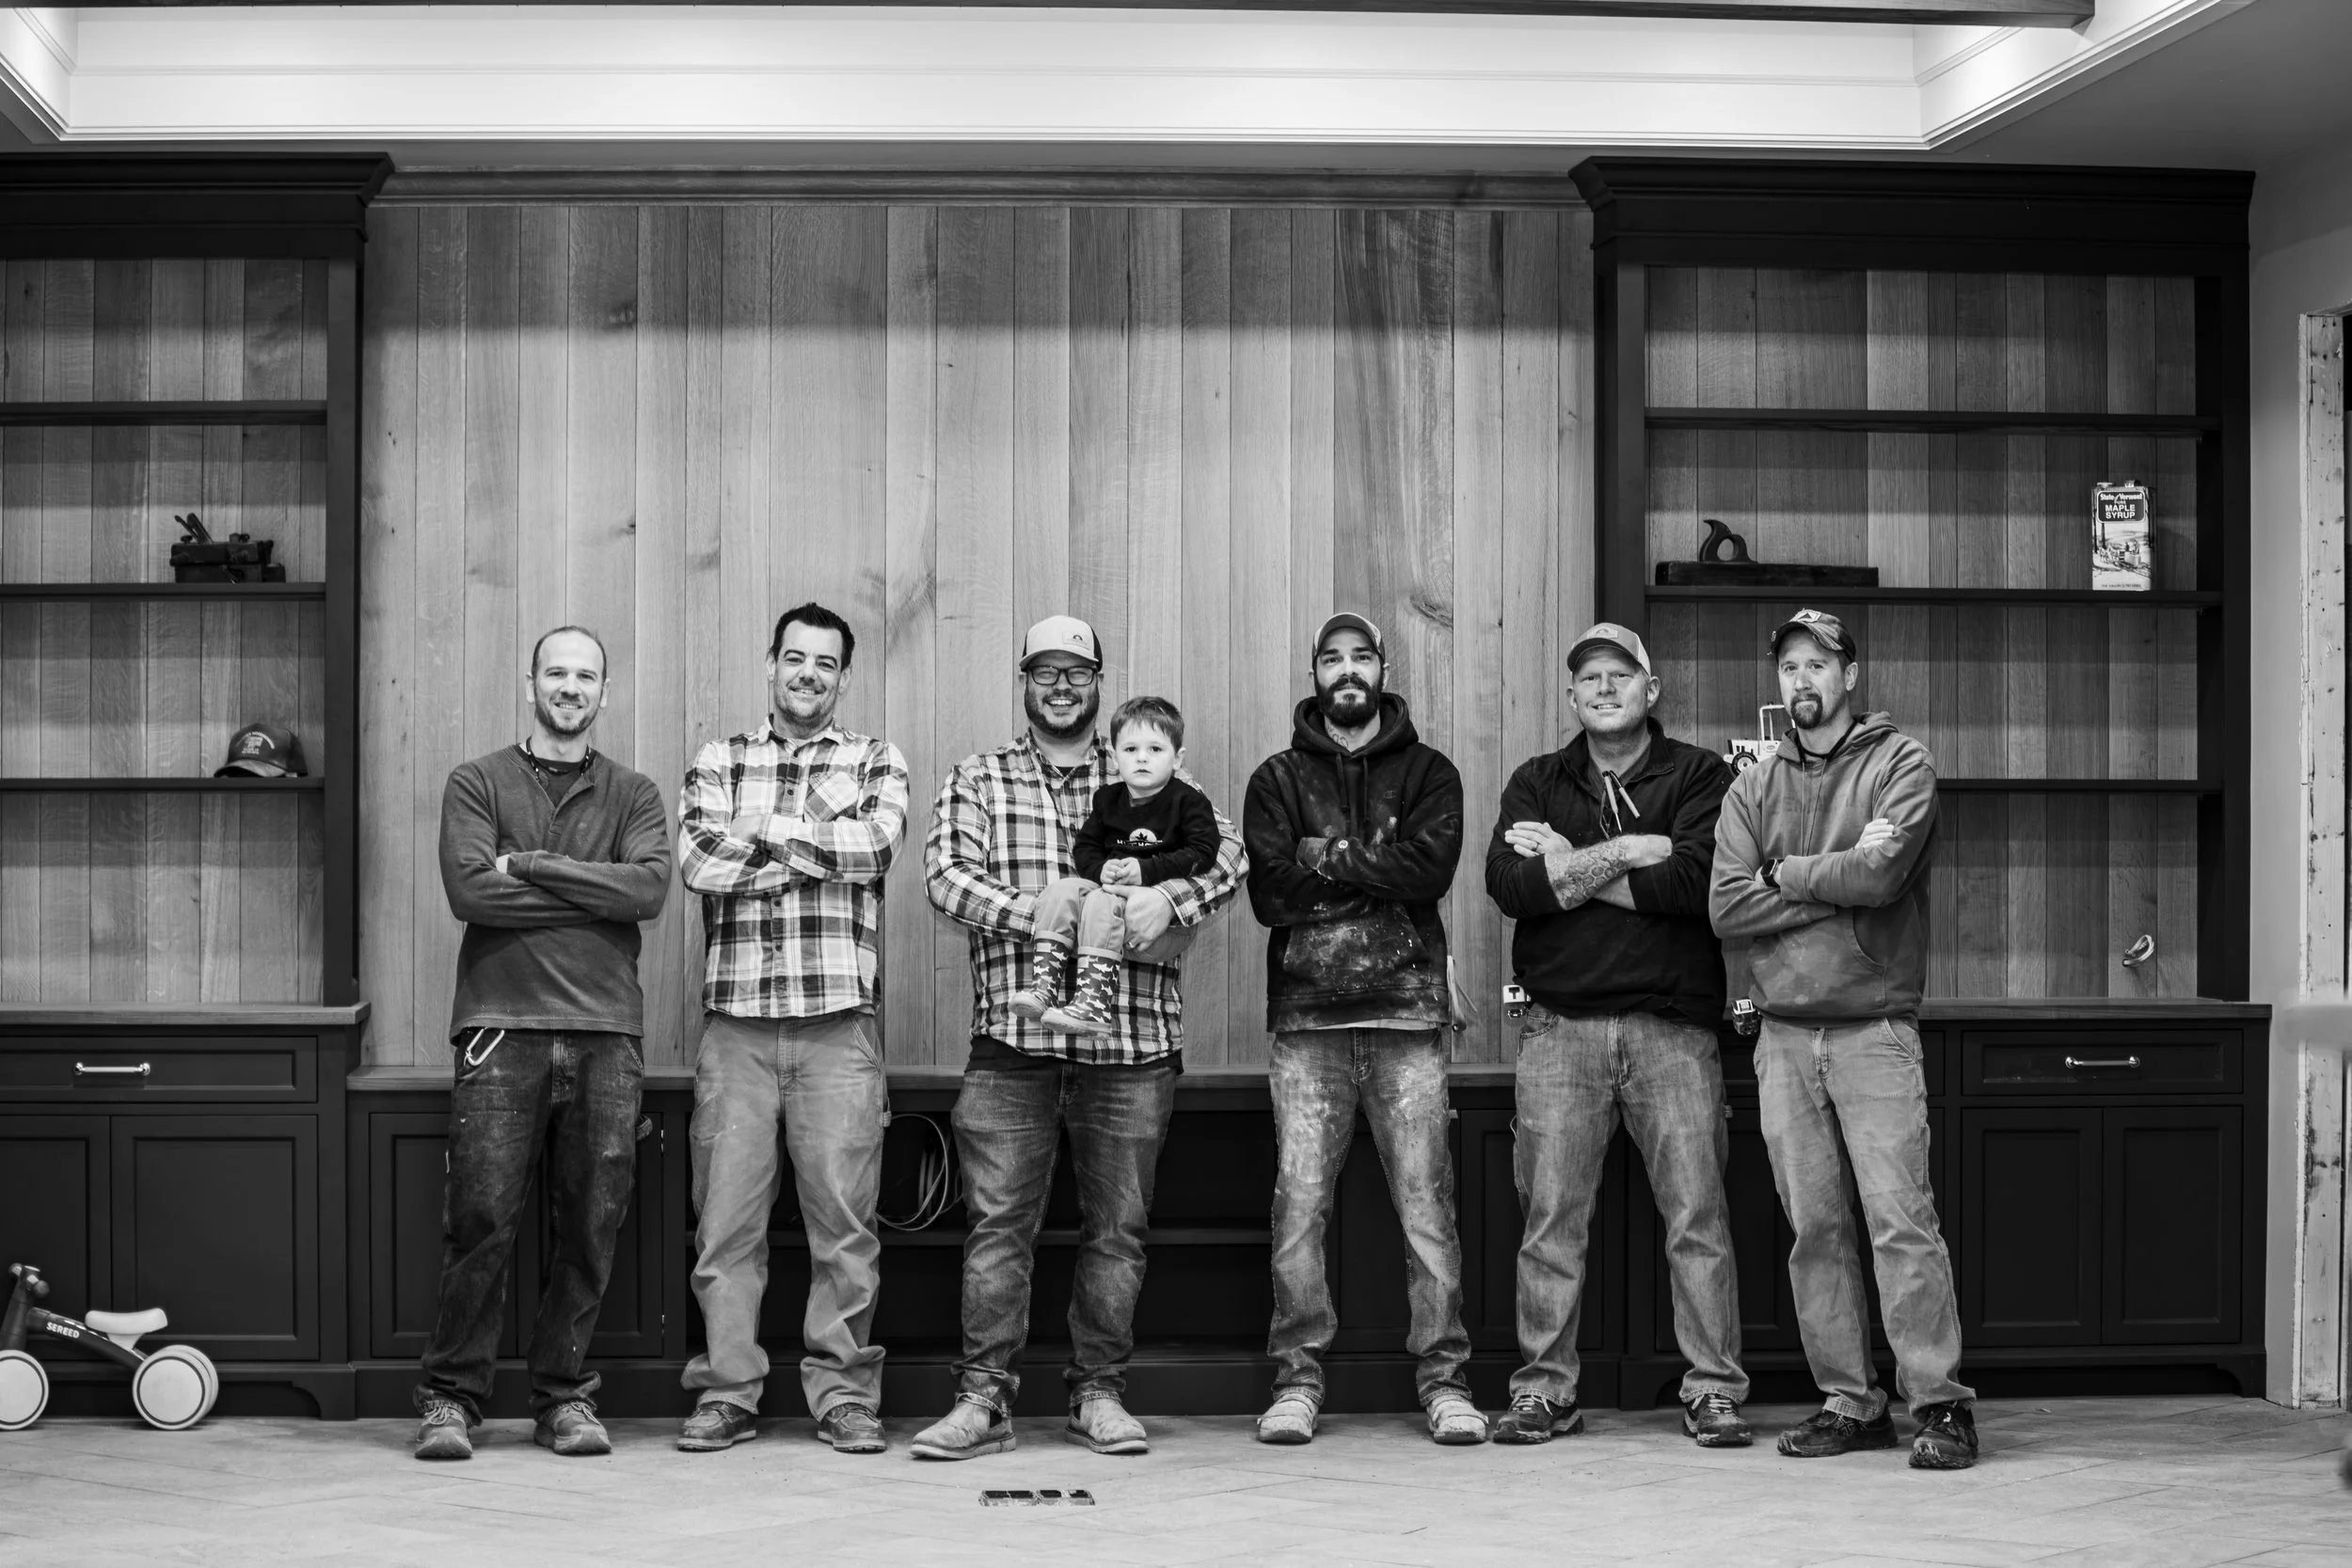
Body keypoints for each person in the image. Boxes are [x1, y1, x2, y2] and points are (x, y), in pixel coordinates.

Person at [915, 615, 1247, 1462]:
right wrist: (1060, 918)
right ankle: (982, 1398)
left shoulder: (1148, 764)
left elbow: (1229, 857)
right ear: (1022, 680)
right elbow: (946, 877)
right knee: (997, 1230)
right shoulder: (979, 777)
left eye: (1077, 672)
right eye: (1044, 672)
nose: (1061, 686)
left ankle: (1097, 1392)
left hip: (1132, 1047)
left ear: (1099, 680)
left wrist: (1167, 903)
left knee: (1117, 1233)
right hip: (1010, 1041)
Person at [1708, 608, 1979, 1470]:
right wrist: (1840, 884)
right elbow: (1724, 904)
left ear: (1849, 675)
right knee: (1814, 1229)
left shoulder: (1900, 762)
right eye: (1789, 666)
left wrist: (1783, 873)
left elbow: (1883, 869)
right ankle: (1851, 1402)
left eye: (1818, 665)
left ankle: (1940, 1405)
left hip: (1875, 1031)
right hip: (1784, 1037)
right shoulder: (1753, 786)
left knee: (1902, 1223)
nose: (1802, 681)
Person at [1486, 623, 1752, 1448]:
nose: (1604, 688)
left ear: (1651, 687)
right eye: (1589, 678)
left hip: (1673, 1032)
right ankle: (1544, 1390)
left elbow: (1691, 883)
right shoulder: (1538, 778)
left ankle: (1713, 1388)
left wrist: (1574, 864)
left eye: (1620, 675)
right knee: (1550, 1220)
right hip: (1559, 1031)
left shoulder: (1703, 774)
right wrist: (1628, 849)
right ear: (1572, 696)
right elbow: (1514, 886)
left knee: (1698, 1217)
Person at [414, 626, 673, 1461]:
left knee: (591, 1224)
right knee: (480, 1218)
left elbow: (647, 891)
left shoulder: (634, 792)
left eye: (586, 674)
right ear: (531, 683)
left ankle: (564, 1396)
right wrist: (587, 893)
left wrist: (530, 866)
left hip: (607, 1033)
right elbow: (470, 892)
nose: (571, 685)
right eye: (556, 672)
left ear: (605, 691)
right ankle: (451, 1398)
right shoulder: (476, 780)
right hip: (500, 1030)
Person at [673, 603, 911, 1455]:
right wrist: (814, 842)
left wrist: (764, 831)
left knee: (844, 1228)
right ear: (770, 663)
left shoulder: (876, 758)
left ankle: (844, 1393)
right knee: (725, 1225)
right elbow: (700, 864)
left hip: (839, 1030)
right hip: (735, 1029)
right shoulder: (719, 757)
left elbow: (873, 852)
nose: (809, 674)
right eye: (795, 658)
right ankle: (728, 1391)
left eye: (826, 663)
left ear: (843, 676)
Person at [1242, 612, 1481, 1447]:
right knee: (1297, 1207)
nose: (1348, 670)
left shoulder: (1430, 772)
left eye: (1361, 657)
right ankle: (1297, 1381)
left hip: (1408, 1018)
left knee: (1426, 1205)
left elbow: (1431, 870)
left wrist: (1325, 855)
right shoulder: (1274, 778)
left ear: (1383, 667)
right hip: (1307, 1023)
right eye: (1332, 658)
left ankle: (1445, 1381)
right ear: (1315, 672)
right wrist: (1374, 870)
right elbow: (1271, 896)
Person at [1009, 694, 1224, 1035]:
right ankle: (1043, 987)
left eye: (1155, 750)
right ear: (1114, 755)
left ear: (1177, 758)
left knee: (1098, 901)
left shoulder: (1188, 800)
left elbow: (1204, 851)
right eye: (1131, 750)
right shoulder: (1107, 800)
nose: (1142, 758)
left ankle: (1093, 1005)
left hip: (1163, 927)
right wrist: (1099, 870)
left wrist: (1147, 871)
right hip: (1110, 897)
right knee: (1062, 891)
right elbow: (1087, 848)